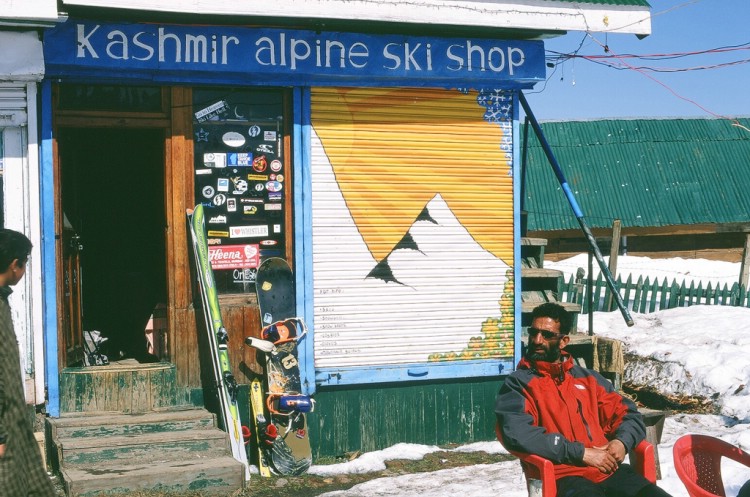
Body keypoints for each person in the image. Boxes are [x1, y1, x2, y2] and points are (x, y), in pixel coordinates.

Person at [495, 302, 672, 497]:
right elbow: (519, 433)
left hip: (608, 471)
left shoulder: (588, 379)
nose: (537, 340)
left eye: (547, 335)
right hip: (563, 476)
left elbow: (628, 414)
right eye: (533, 332)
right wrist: (582, 453)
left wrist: (622, 442)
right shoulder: (519, 384)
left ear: (563, 341)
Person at [0, 229, 56, 496]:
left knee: (33, 483)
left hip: (15, 420)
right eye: (25, 263)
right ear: (15, 264)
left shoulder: (3, 299)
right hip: (4, 426)